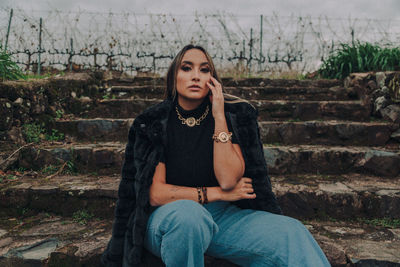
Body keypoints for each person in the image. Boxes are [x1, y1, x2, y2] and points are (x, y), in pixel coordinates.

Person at [101, 44, 330, 267]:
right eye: (186, 68)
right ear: (173, 77)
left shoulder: (233, 119)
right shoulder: (153, 123)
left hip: (222, 218)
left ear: (213, 80)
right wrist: (218, 193)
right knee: (190, 218)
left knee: (291, 231)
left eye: (204, 70)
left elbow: (229, 179)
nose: (195, 76)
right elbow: (157, 194)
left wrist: (219, 116)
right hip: (166, 219)